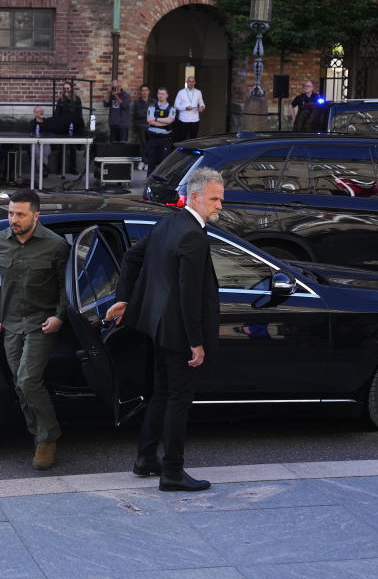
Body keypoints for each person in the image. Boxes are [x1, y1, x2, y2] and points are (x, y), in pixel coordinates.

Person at [105, 167, 223, 492]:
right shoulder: (194, 237)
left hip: (157, 328)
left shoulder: (168, 223)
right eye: (214, 199)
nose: (219, 206)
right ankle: (172, 471)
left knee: (161, 393)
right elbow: (189, 295)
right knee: (178, 400)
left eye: (220, 199)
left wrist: (125, 299)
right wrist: (196, 343)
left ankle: (145, 459)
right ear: (196, 197)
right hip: (179, 333)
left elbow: (131, 256)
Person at [0, 190, 69, 470]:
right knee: (19, 383)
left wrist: (59, 317)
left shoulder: (55, 245)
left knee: (28, 380)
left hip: (41, 324)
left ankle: (47, 437)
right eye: (10, 213)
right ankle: (35, 432)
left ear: (36, 216)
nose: (13, 219)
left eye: (20, 214)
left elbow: (67, 287)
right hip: (11, 323)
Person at [145, 87, 175, 172]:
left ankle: (161, 183)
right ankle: (149, 181)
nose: (160, 95)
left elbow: (169, 121)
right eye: (159, 93)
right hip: (153, 138)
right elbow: (149, 120)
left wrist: (156, 119)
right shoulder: (152, 106)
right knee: (151, 162)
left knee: (164, 162)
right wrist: (163, 122)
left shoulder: (171, 108)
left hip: (165, 139)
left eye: (162, 94)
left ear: (167, 95)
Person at [173, 76, 205, 141]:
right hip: (183, 120)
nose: (191, 83)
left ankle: (192, 151)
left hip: (195, 119)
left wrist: (202, 107)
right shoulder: (181, 92)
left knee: (193, 140)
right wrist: (185, 108)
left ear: (195, 83)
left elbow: (202, 103)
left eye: (192, 81)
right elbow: (175, 105)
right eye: (189, 81)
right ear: (186, 82)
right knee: (182, 139)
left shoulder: (198, 92)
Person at [29, 105, 53, 176]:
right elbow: (31, 134)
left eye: (41, 111)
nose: (40, 113)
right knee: (37, 149)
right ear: (35, 113)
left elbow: (49, 132)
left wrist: (43, 122)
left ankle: (42, 168)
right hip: (35, 143)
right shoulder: (32, 122)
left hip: (45, 142)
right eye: (38, 112)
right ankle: (43, 168)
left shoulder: (47, 122)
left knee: (44, 148)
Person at [131, 84, 152, 155]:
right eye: (143, 90)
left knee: (152, 144)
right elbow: (138, 115)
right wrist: (148, 112)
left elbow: (155, 114)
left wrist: (144, 111)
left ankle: (150, 161)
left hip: (152, 126)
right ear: (140, 92)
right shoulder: (137, 103)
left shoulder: (153, 102)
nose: (144, 92)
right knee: (143, 145)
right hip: (141, 125)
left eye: (146, 90)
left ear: (149, 91)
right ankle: (144, 160)